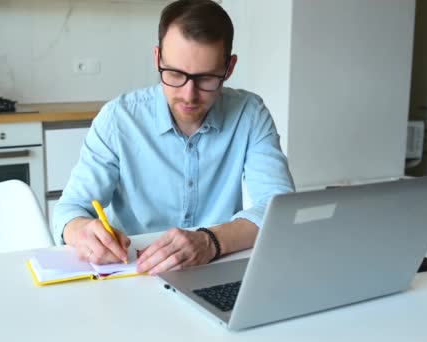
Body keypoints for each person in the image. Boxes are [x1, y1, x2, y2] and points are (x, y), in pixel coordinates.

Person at [53, 0, 295, 275]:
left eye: (206, 78)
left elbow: (280, 210)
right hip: (134, 270)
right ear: (158, 59)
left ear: (229, 68)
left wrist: (210, 241)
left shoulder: (250, 115)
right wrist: (82, 230)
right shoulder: (118, 119)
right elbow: (69, 209)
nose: (189, 95)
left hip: (215, 267)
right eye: (175, 74)